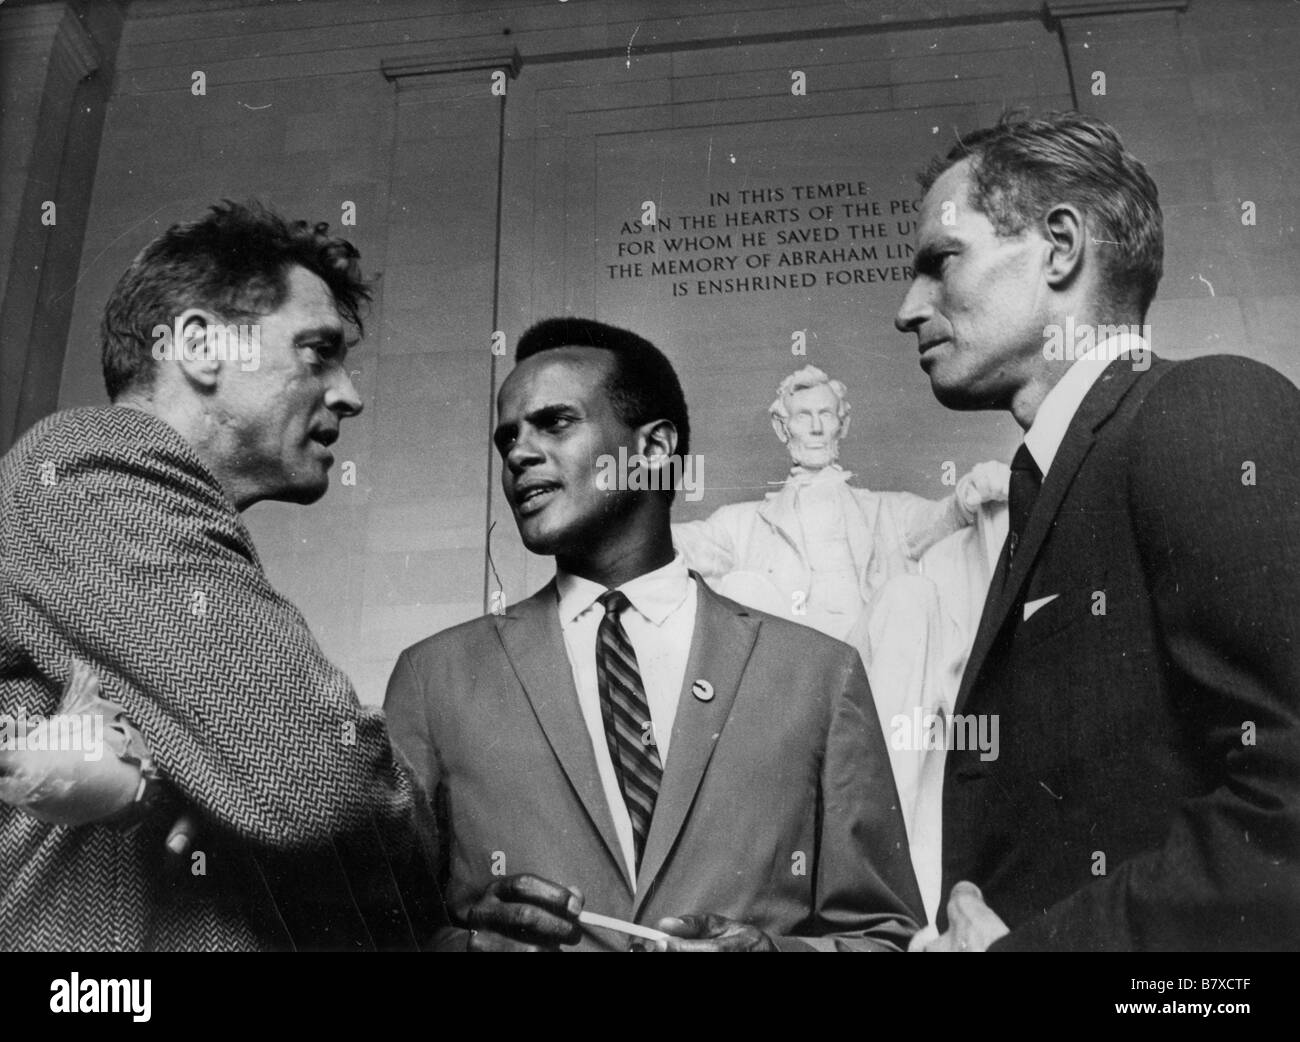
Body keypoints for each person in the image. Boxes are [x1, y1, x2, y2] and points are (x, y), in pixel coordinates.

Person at [384, 317, 923, 951]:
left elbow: (887, 939)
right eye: (508, 438)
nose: (519, 453)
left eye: (555, 423)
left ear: (655, 449)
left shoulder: (820, 676)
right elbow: (364, 929)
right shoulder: (433, 677)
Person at [894, 111, 1300, 951]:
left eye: (940, 262)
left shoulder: (1207, 409)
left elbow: (1288, 805)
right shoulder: (1044, 488)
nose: (908, 310)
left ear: (1060, 246)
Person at [0, 201, 432, 951]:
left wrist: (209, 782)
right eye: (317, 351)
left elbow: (281, 776)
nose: (349, 395)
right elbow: (314, 772)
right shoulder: (90, 465)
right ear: (201, 345)